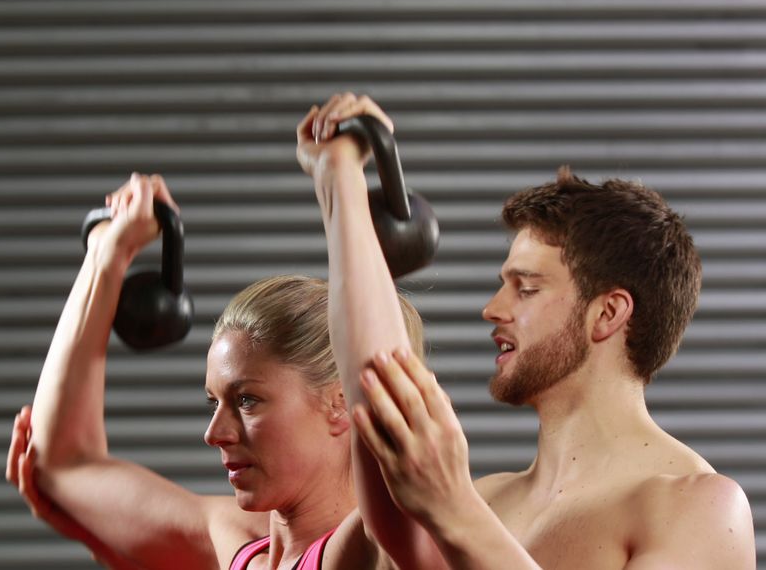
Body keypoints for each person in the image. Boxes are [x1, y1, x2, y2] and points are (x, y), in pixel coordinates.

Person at [299, 92, 756, 569]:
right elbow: (382, 392)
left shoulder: (697, 507)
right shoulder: (488, 501)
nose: (492, 309)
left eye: (527, 288)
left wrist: (455, 510)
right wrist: (341, 182)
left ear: (608, 313)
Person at [6, 171, 435, 569]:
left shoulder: (374, 551)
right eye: (214, 401)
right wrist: (107, 255)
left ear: (343, 400)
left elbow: (380, 385)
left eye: (247, 400)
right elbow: (62, 465)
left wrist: (341, 179)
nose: (214, 433)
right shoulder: (237, 544)